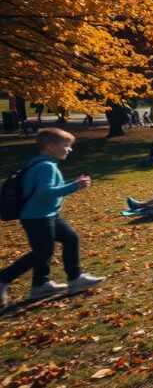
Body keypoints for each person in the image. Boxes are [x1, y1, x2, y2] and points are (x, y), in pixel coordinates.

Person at [0, 128, 105, 307]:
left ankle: (68, 279)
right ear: (50, 146)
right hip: (37, 217)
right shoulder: (46, 166)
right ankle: (6, 278)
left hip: (48, 215)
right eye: (66, 145)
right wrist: (74, 186)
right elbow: (44, 193)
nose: (69, 149)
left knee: (70, 238)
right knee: (42, 252)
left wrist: (70, 185)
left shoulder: (40, 163)